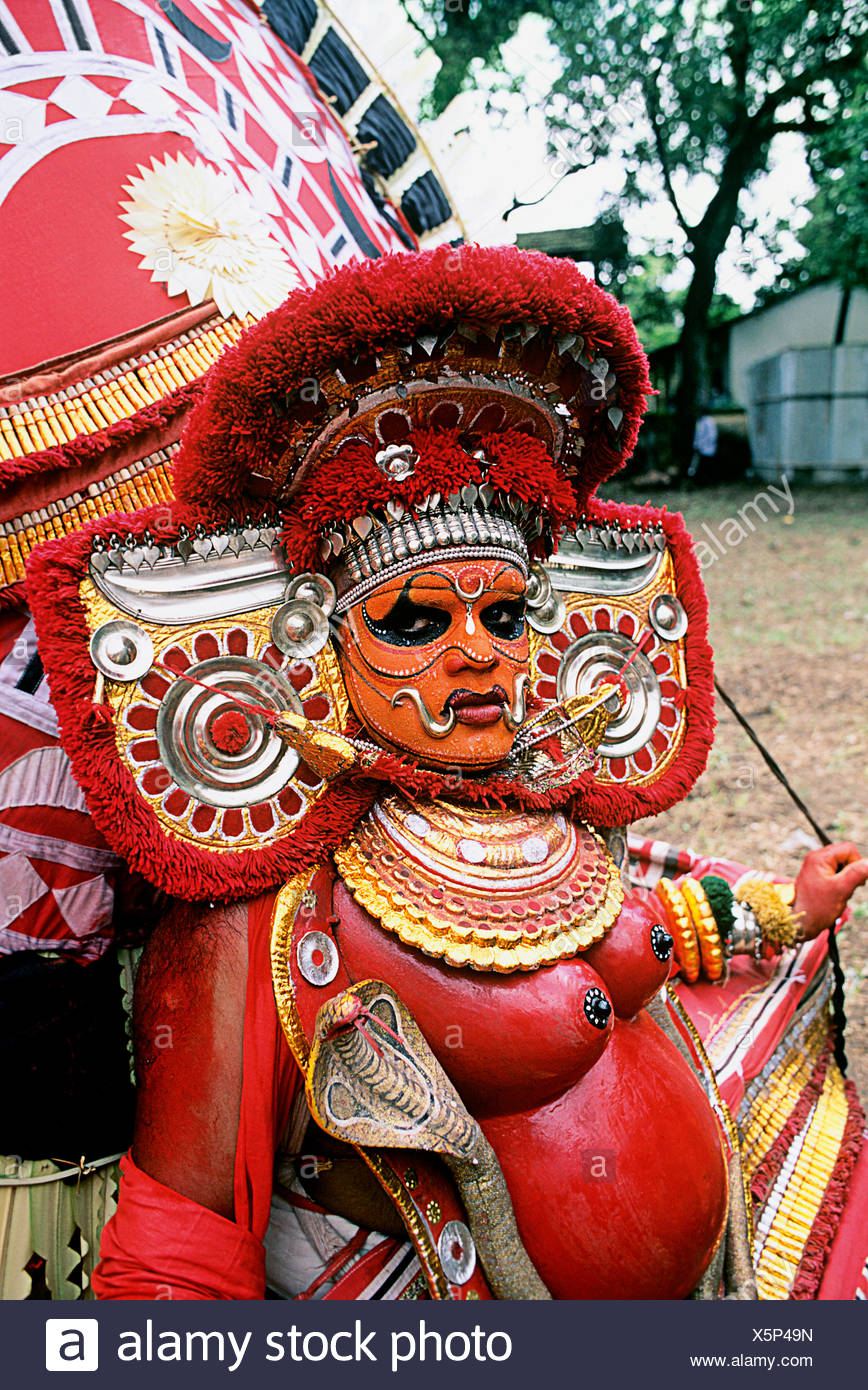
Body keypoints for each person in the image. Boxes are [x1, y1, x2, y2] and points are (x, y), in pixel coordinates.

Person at [26, 246, 868, 1300]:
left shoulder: (552, 803)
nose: (477, 651)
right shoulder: (264, 913)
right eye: (414, 619)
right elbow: (179, 1250)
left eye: (504, 614)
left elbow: (642, 928)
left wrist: (786, 909)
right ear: (316, 645)